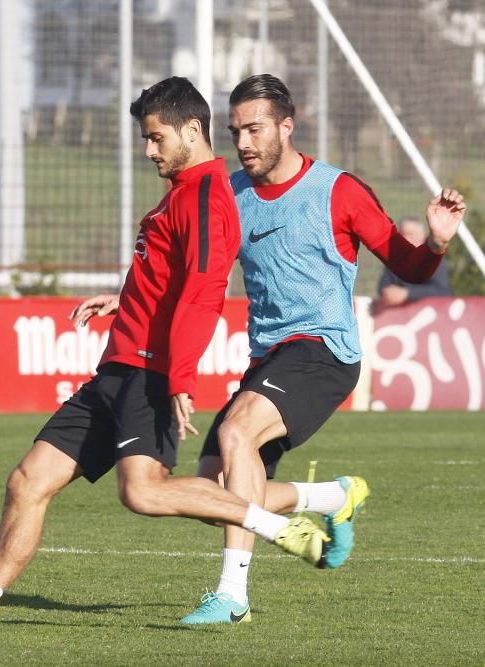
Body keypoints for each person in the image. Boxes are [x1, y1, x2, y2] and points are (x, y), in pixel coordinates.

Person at [0, 77, 334, 629]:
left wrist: (179, 379)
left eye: (156, 139)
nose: (148, 151)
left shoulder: (204, 195)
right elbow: (167, 276)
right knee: (27, 481)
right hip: (116, 369)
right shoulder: (181, 192)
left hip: (149, 374)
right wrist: (123, 298)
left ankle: (276, 525)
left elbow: (203, 291)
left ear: (192, 130)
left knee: (142, 493)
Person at [182, 74, 466, 625]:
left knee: (238, 432)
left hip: (325, 352)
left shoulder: (339, 191)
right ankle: (332, 498)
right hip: (269, 359)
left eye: (254, 129)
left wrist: (435, 241)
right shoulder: (231, 197)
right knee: (214, 493)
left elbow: (407, 265)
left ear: (287, 127)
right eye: (236, 130)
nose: (242, 142)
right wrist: (127, 297)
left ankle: (232, 596)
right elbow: (190, 274)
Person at [377, 216, 452, 308]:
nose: (405, 238)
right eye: (402, 234)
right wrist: (388, 292)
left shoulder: (433, 257)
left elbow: (442, 291)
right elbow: (383, 286)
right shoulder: (395, 257)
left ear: (422, 236)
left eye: (410, 234)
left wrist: (407, 293)